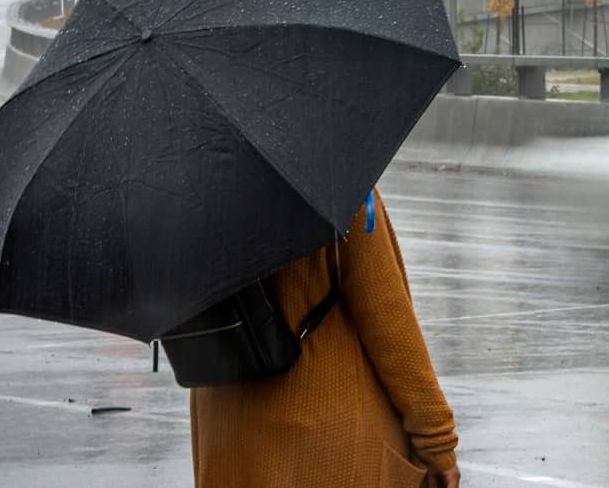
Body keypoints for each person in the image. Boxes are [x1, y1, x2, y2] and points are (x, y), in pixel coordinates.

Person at [189, 189, 460, 488]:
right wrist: (437, 443)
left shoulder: (187, 190)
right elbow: (389, 325)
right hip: (323, 446)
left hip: (225, 433)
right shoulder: (333, 183)